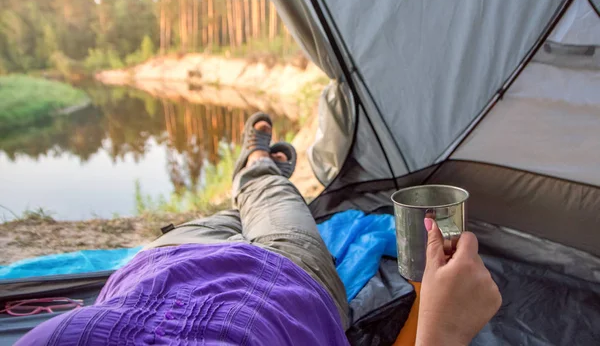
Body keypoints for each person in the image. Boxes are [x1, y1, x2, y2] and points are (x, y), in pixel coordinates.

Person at [16, 113, 501, 346]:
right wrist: (443, 333)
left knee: (228, 215)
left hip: (165, 262)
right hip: (289, 275)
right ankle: (257, 163)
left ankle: (251, 172)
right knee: (271, 196)